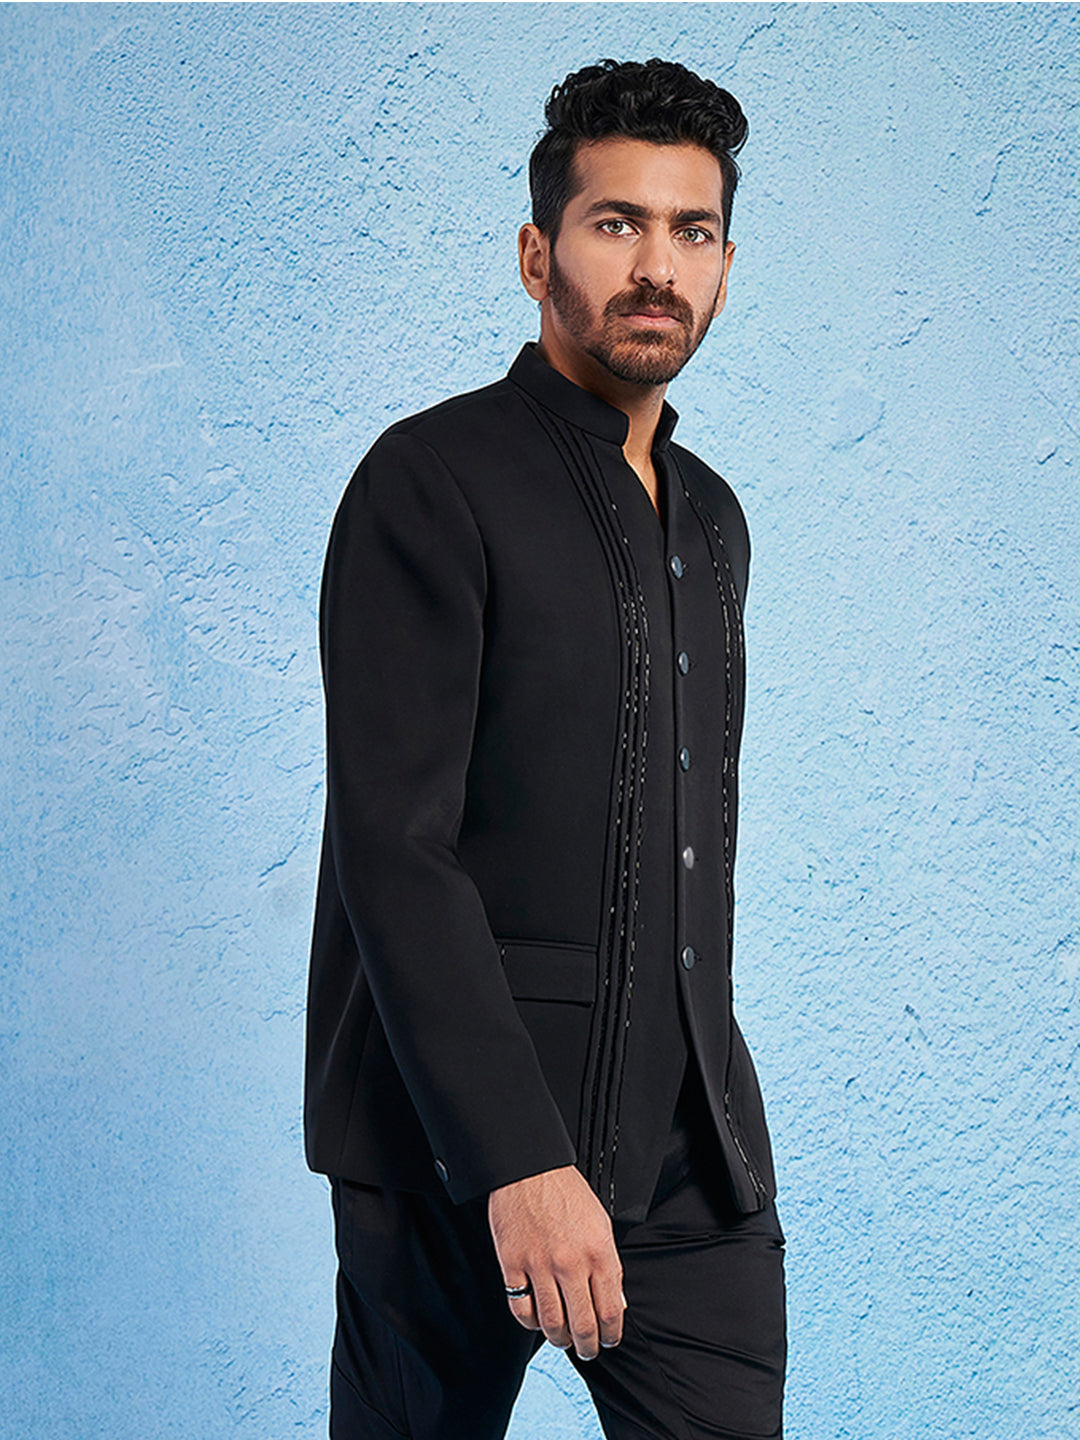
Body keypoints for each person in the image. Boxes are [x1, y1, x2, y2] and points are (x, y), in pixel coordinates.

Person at [305, 57, 786, 1440]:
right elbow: (396, 850)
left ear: (726, 267)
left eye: (692, 231)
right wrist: (517, 1159)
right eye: (615, 222)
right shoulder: (430, 480)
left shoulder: (711, 520)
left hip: (689, 1151)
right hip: (447, 1151)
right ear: (537, 253)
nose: (657, 267)